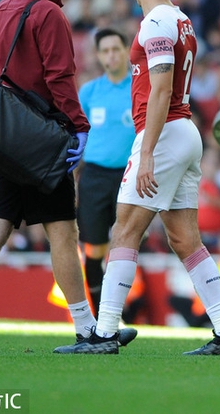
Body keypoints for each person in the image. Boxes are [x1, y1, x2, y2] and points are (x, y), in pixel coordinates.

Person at [58, 0, 220, 355]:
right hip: (185, 131)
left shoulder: (155, 22)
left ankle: (103, 334)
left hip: (165, 131)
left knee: (124, 229)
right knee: (184, 239)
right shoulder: (181, 20)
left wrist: (145, 152)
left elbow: (160, 91)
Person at [0, 0, 135, 352]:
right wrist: (79, 125)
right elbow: (59, 78)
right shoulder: (48, 12)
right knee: (63, 231)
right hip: (40, 140)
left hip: (0, 136)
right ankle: (87, 328)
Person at [76, 28, 135, 316]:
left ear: (126, 51)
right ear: (99, 56)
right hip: (95, 177)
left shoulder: (139, 88)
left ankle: (115, 313)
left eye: (116, 49)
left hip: (129, 175)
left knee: (125, 247)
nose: (112, 55)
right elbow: (77, 137)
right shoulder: (88, 92)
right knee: (95, 250)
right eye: (106, 51)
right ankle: (101, 317)